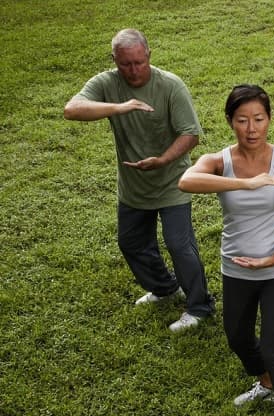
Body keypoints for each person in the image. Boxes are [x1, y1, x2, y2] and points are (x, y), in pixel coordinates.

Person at [179, 84, 274, 416]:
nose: (252, 128)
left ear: (269, 119)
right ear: (230, 122)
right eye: (242, 120)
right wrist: (245, 182)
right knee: (238, 337)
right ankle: (266, 381)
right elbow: (186, 180)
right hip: (236, 269)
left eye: (259, 119)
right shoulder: (220, 161)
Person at [63, 28, 214, 332]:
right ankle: (165, 288)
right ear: (114, 61)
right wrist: (121, 106)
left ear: (149, 56)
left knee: (179, 245)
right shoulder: (107, 83)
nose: (132, 70)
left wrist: (162, 160)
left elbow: (191, 134)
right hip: (133, 186)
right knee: (131, 242)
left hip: (172, 181)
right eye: (125, 65)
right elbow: (72, 109)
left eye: (138, 63)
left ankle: (199, 306)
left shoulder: (170, 86)